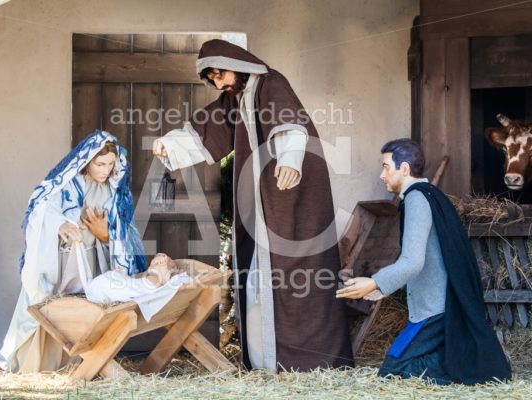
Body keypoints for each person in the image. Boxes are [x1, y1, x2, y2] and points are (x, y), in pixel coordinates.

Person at [152, 39, 353, 371]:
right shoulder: (239, 97)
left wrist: (289, 160)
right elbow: (209, 127)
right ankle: (268, 360)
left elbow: (289, 124)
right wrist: (170, 143)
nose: (219, 83)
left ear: (238, 63)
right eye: (213, 79)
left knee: (295, 272)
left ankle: (308, 359)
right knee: (261, 272)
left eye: (220, 74)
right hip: (264, 198)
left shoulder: (271, 84)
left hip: (290, 198)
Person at [336, 138, 512, 384]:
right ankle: (472, 356)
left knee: (393, 371)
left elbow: (412, 262)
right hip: (433, 306)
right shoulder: (427, 195)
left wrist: (374, 283)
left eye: (386, 167)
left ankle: (476, 361)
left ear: (404, 168)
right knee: (398, 365)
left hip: (435, 310)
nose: (381, 175)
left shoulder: (418, 199)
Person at [0, 130, 147, 373]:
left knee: (84, 312)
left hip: (93, 261)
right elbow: (42, 207)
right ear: (87, 161)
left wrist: (105, 235)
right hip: (64, 262)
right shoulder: (67, 182)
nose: (105, 170)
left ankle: (77, 365)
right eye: (100, 164)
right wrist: (60, 224)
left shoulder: (114, 190)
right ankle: (36, 366)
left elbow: (123, 231)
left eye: (110, 164)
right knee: (53, 311)